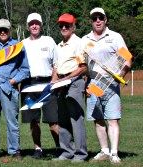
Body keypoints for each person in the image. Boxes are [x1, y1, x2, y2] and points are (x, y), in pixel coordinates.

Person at [82, 7, 132, 163]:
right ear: (91, 21)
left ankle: (114, 153)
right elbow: (81, 64)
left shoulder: (115, 37)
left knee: (112, 119)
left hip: (110, 82)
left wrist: (120, 76)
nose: (98, 20)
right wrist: (85, 84)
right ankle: (104, 150)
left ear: (105, 20)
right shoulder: (85, 39)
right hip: (93, 83)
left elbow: (127, 59)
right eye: (95, 18)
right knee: (98, 119)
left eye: (100, 18)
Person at [0, 18, 30, 160]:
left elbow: (25, 70)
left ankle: (15, 151)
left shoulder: (18, 46)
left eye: (5, 29)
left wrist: (13, 80)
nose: (3, 32)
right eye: (0, 30)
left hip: (9, 89)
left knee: (12, 122)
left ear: (10, 30)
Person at [21, 13, 59, 159]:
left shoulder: (49, 41)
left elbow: (56, 63)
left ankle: (60, 148)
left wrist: (53, 81)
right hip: (28, 86)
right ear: (28, 26)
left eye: (37, 23)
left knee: (53, 120)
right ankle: (38, 149)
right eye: (31, 23)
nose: (34, 26)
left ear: (41, 25)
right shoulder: (22, 43)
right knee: (33, 120)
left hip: (47, 84)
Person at [51, 13, 88, 162]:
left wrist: (66, 79)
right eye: (61, 25)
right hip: (61, 83)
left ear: (73, 27)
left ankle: (81, 154)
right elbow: (56, 67)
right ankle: (67, 152)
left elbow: (83, 67)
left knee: (76, 119)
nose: (64, 27)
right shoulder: (59, 46)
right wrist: (53, 81)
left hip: (74, 82)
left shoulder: (78, 43)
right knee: (62, 119)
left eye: (67, 25)